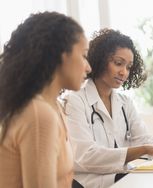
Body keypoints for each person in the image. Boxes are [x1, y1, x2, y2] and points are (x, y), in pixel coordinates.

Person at [64, 28, 153, 188]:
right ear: (100, 60)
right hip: (88, 183)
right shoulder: (75, 101)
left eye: (129, 67)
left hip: (122, 178)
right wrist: (145, 149)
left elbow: (144, 138)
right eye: (118, 63)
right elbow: (86, 156)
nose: (124, 72)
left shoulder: (124, 103)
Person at [0, 12, 91, 187]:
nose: (88, 67)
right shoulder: (38, 114)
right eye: (84, 55)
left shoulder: (53, 107)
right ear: (61, 55)